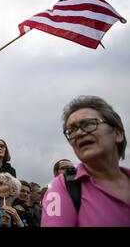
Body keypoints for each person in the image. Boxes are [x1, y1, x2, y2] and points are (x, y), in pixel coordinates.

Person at [42, 95, 130, 227]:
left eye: (88, 124)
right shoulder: (61, 187)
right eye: (71, 130)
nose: (78, 133)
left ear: (117, 134)